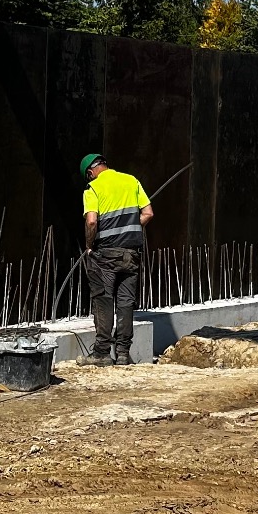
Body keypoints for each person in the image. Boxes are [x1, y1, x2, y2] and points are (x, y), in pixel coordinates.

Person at [80, 153, 153, 365]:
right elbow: (148, 213)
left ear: (90, 172)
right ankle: (122, 353)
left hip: (105, 255)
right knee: (125, 303)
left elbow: (91, 221)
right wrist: (128, 229)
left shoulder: (93, 188)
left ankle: (102, 353)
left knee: (103, 300)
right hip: (131, 254)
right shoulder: (131, 181)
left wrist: (89, 245)